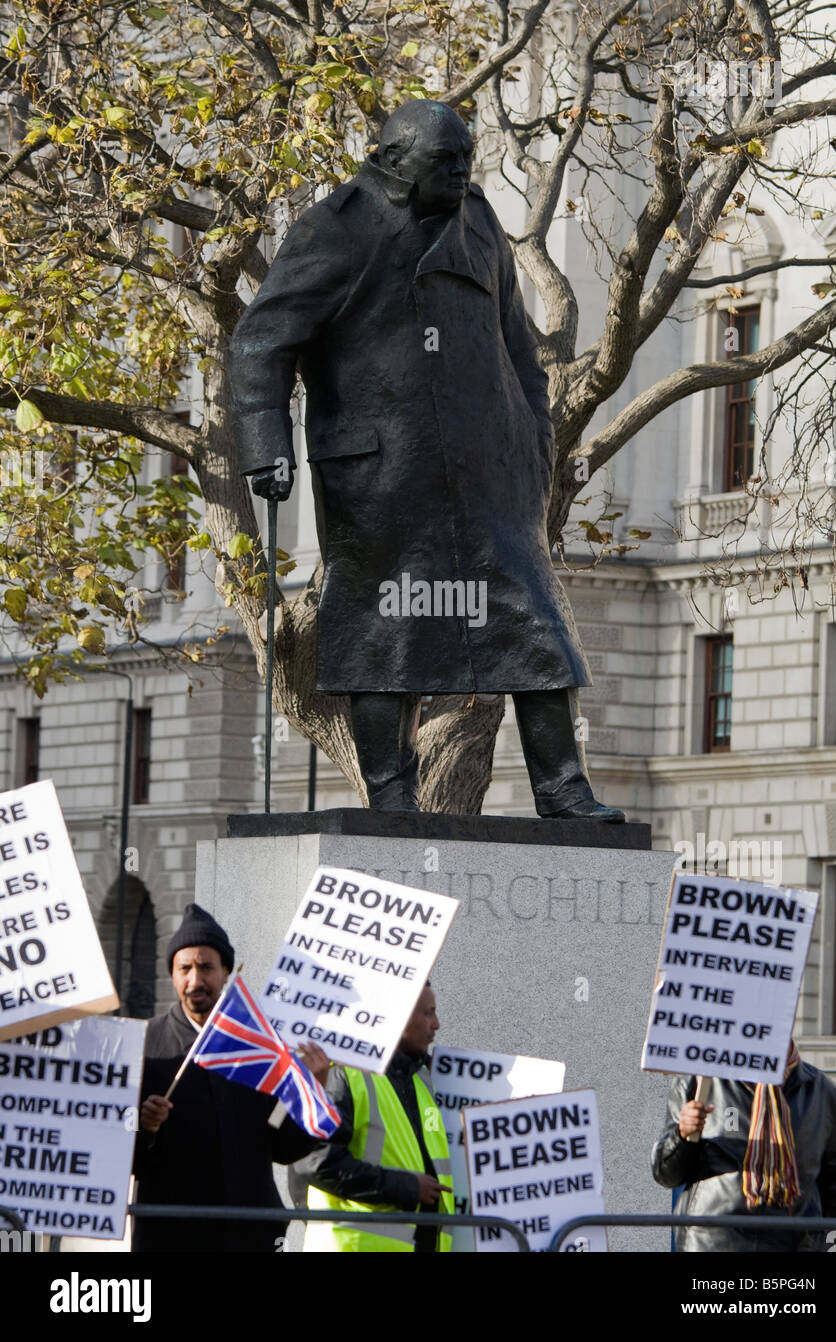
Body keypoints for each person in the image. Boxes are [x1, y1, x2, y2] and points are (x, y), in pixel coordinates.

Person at [228, 98, 624, 822]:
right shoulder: (335, 229)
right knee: (387, 633)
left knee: (535, 628)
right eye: (446, 161)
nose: (462, 171)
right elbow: (260, 342)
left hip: (489, 474)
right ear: (390, 161)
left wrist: (535, 443)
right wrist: (266, 448)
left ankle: (564, 790)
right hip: (383, 472)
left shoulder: (479, 221)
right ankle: (391, 795)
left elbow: (519, 347)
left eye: (467, 157)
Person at [133, 902, 328, 1253]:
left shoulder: (261, 1045)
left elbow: (285, 1149)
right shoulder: (145, 1044)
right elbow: (121, 1155)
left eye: (206, 967)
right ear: (172, 974)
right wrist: (144, 1126)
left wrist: (312, 1091)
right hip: (172, 1238)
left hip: (251, 1236)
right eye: (185, 968)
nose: (195, 980)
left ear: (226, 972)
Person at [290, 982, 454, 1251]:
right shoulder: (344, 1074)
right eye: (428, 1013)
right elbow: (314, 1161)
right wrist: (408, 1188)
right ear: (397, 1019)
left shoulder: (420, 1081)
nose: (436, 1024)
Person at [651, 1042, 836, 1252]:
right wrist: (682, 1135)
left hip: (796, 1245)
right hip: (712, 1242)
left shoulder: (824, 1094)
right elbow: (665, 1175)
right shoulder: (699, 1083)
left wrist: (831, 1247)